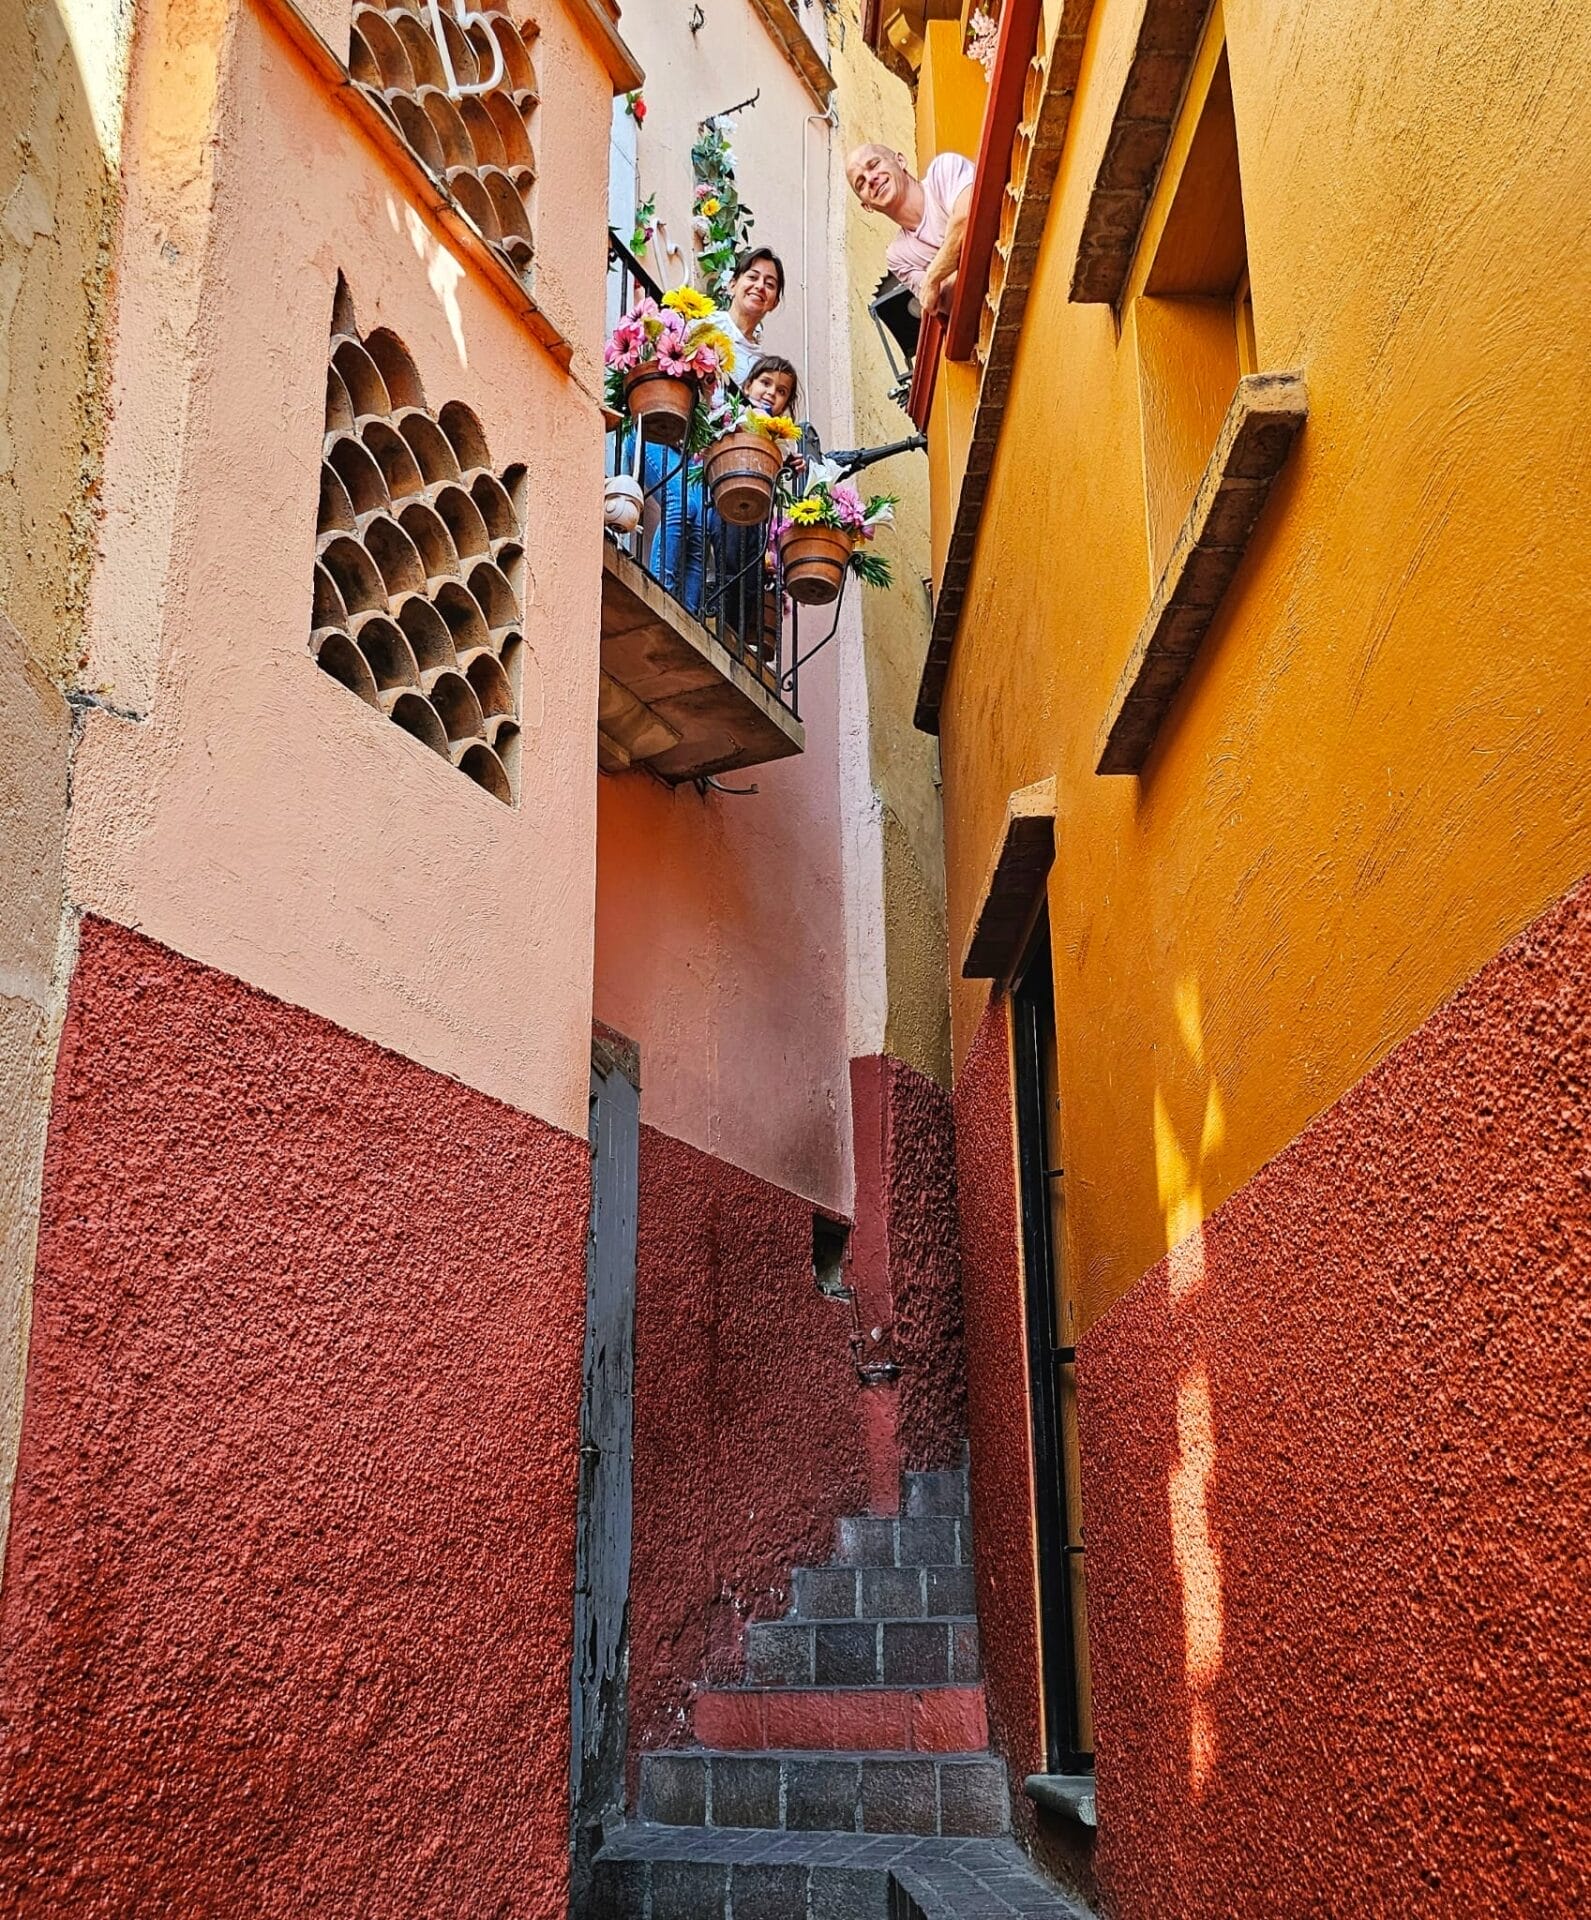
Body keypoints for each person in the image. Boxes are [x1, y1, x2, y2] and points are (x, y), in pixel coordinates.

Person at [650, 247, 789, 609]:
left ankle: (687, 612)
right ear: (732, 284)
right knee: (682, 509)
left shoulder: (762, 367)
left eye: (770, 283)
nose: (760, 286)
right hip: (667, 436)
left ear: (774, 301)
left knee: (698, 528)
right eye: (752, 277)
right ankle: (661, 597)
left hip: (702, 460)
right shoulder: (705, 327)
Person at [713, 354, 801, 665]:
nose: (771, 393)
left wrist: (791, 463)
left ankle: (736, 632)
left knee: (750, 571)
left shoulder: (781, 438)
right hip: (727, 501)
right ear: (748, 385)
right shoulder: (733, 411)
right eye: (766, 383)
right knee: (730, 559)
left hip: (755, 513)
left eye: (781, 391)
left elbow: (782, 466)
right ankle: (723, 624)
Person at [846, 143, 974, 318]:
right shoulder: (898, 256)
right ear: (867, 206)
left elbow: (969, 219)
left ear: (900, 161)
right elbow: (946, 301)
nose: (870, 179)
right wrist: (945, 269)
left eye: (874, 164)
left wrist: (933, 277)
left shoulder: (942, 171)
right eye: (861, 183)